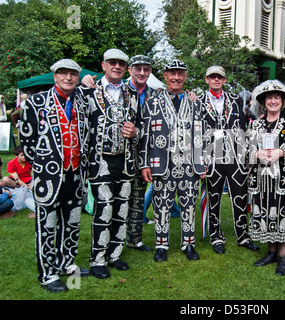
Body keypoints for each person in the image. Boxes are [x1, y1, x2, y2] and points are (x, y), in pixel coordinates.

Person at [19, 58, 90, 292]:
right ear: (55, 76)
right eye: (63, 73)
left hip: (76, 173)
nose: (68, 78)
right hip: (48, 177)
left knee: (72, 222)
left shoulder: (83, 101)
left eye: (72, 74)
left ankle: (66, 263)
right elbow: (27, 142)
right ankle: (47, 273)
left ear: (78, 77)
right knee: (47, 225)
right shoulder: (36, 102)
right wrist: (42, 165)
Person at [78, 49, 142, 279]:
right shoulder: (89, 91)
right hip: (100, 161)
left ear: (126, 68)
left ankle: (115, 254)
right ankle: (98, 258)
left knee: (121, 210)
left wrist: (135, 132)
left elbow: (140, 125)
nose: (117, 67)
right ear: (103, 65)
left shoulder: (131, 93)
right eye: (112, 63)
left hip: (125, 162)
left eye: (121, 64)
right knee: (103, 208)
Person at [81, 54, 155, 253]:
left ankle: (133, 240)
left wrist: (137, 133)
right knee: (106, 205)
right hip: (104, 159)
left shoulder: (154, 94)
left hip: (139, 156)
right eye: (137, 68)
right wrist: (84, 79)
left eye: (146, 69)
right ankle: (101, 254)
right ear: (130, 70)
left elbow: (144, 126)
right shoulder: (94, 89)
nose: (141, 72)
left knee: (135, 200)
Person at [140, 59, 206, 262]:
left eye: (180, 73)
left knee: (189, 206)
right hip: (162, 164)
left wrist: (202, 163)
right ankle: (161, 245)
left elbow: (203, 135)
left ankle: (189, 244)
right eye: (172, 73)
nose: (176, 77)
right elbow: (144, 136)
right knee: (161, 206)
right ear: (165, 76)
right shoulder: (151, 104)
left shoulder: (196, 103)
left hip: (189, 165)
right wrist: (144, 163)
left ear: (185, 77)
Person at [199, 65, 259, 254]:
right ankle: (216, 236)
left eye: (220, 77)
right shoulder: (198, 101)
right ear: (207, 79)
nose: (216, 80)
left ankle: (243, 235)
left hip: (236, 155)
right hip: (211, 155)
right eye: (212, 77)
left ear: (224, 80)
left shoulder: (236, 99)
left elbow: (244, 128)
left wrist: (248, 155)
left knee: (240, 196)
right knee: (214, 196)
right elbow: (196, 132)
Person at [247, 79, 285, 276]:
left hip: (284, 180)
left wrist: (282, 152)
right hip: (261, 180)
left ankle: (283, 257)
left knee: (283, 216)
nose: (272, 100)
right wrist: (255, 154)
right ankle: (271, 252)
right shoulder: (255, 125)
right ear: (263, 101)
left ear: (283, 101)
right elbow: (244, 150)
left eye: (276, 97)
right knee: (266, 214)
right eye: (269, 97)